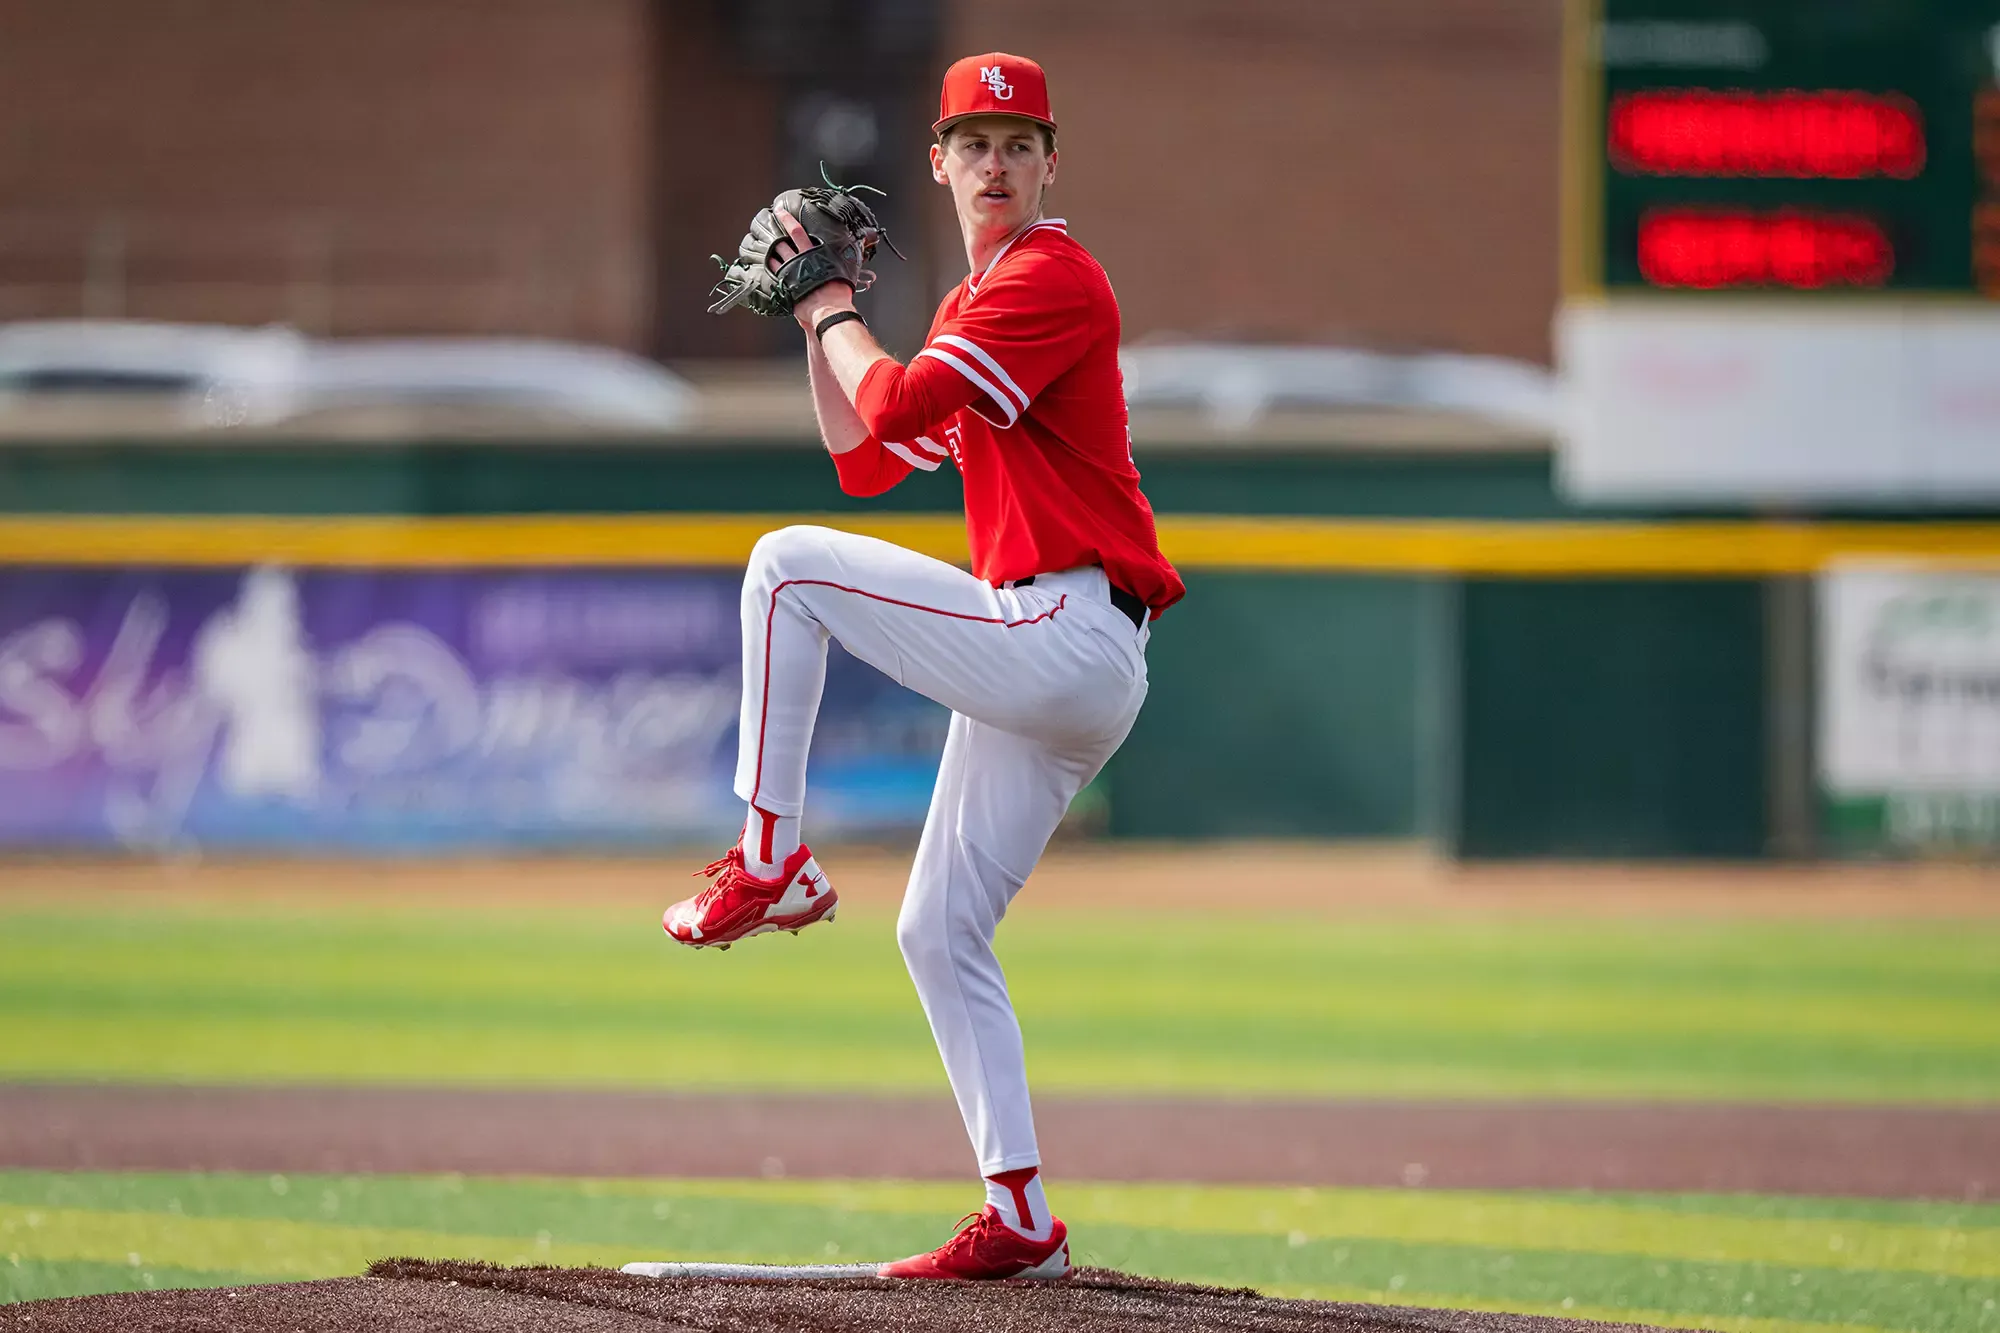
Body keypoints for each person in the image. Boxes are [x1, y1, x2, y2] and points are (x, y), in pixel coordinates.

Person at [663, 51, 1184, 1281]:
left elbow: (887, 401)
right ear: (938, 160)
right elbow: (868, 453)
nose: (993, 163)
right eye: (972, 143)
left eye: (1016, 143)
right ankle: (1018, 1212)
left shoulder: (1049, 278)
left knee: (782, 565)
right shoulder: (974, 301)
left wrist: (835, 307)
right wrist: (814, 314)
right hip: (1054, 651)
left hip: (1059, 633)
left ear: (1049, 162)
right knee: (935, 928)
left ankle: (771, 855)